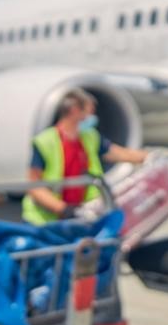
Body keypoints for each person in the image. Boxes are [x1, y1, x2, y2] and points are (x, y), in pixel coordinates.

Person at [22, 88, 148, 225]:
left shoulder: (89, 137)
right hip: (46, 220)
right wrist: (64, 209)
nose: (93, 118)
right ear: (75, 110)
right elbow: (34, 186)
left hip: (79, 215)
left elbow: (120, 154)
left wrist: (152, 156)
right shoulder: (45, 141)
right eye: (89, 112)